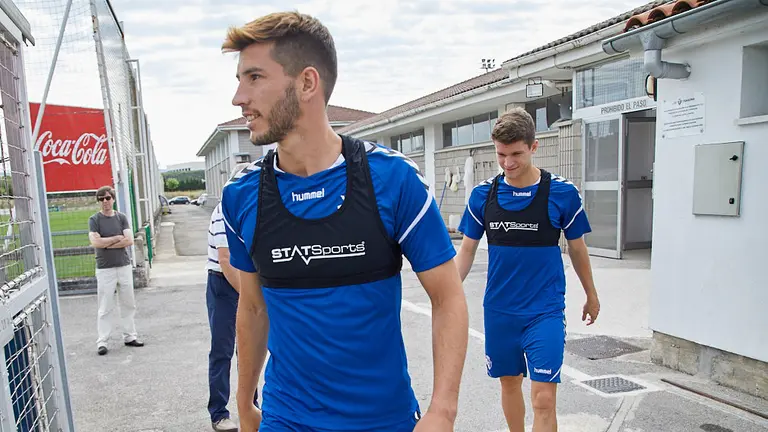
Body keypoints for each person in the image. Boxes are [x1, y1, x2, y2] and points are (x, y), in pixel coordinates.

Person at [218, 11, 469, 432]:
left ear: (307, 83)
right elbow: (253, 305)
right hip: (286, 419)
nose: (239, 97)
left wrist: (442, 411)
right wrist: (244, 404)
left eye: (255, 77)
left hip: (383, 421)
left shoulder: (392, 180)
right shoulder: (240, 195)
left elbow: (448, 297)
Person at [454, 107, 600, 432]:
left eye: (516, 154)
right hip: (500, 311)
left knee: (544, 399)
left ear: (534, 147)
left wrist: (591, 294)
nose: (508, 163)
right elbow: (466, 250)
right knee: (509, 384)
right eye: (501, 155)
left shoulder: (562, 193)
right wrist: (445, 295)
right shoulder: (483, 195)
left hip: (544, 310)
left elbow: (577, 248)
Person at [205, 163, 258, 432]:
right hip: (224, 285)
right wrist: (251, 297)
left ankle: (253, 405)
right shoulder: (224, 211)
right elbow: (226, 261)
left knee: (251, 347)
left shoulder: (252, 209)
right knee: (223, 350)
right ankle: (219, 413)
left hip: (246, 280)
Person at [87, 185, 144, 356]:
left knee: (128, 302)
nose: (105, 202)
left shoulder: (121, 218)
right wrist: (115, 239)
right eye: (101, 199)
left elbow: (129, 240)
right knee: (105, 305)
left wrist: (107, 242)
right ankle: (102, 340)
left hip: (123, 265)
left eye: (107, 198)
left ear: (113, 198)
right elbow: (96, 243)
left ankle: (130, 335)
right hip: (105, 268)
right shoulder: (94, 219)